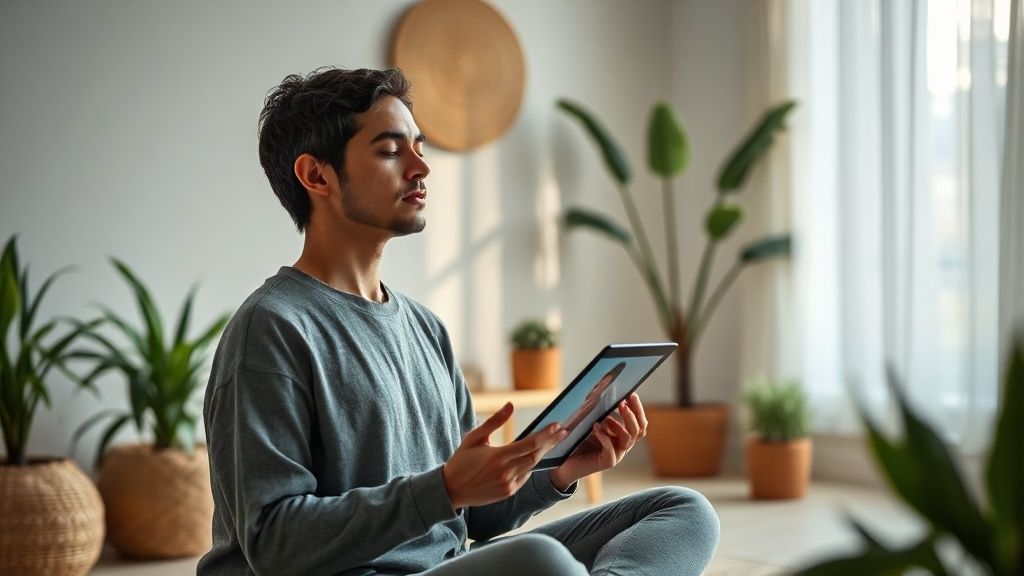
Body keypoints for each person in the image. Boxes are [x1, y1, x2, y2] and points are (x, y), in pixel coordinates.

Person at [199, 67, 719, 576]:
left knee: (681, 511)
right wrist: (442, 488)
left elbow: (471, 519)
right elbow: (272, 545)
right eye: (389, 150)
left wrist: (559, 472)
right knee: (540, 563)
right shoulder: (271, 329)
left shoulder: (426, 330)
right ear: (317, 176)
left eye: (419, 147)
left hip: (444, 567)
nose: (420, 168)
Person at [561, 362, 626, 433]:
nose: (595, 387)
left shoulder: (607, 404)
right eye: (597, 385)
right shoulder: (581, 406)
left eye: (599, 385)